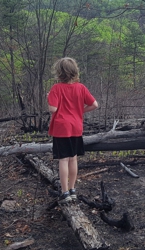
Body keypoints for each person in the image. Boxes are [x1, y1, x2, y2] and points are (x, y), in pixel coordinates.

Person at [47, 57, 98, 204]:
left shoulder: (56, 88)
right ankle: (73, 189)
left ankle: (65, 192)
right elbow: (94, 104)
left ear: (59, 72)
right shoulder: (81, 87)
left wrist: (49, 98)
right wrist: (79, 111)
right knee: (73, 158)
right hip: (76, 127)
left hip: (62, 128)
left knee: (63, 159)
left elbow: (53, 109)